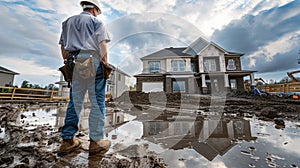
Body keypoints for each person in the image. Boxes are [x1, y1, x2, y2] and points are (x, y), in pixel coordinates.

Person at [58, 0, 111, 156]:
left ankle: (67, 141)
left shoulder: (67, 22)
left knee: (75, 101)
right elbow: (102, 45)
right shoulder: (96, 22)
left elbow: (63, 47)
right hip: (93, 60)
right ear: (94, 10)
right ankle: (95, 142)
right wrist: (105, 64)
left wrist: (68, 63)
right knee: (97, 101)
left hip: (74, 61)